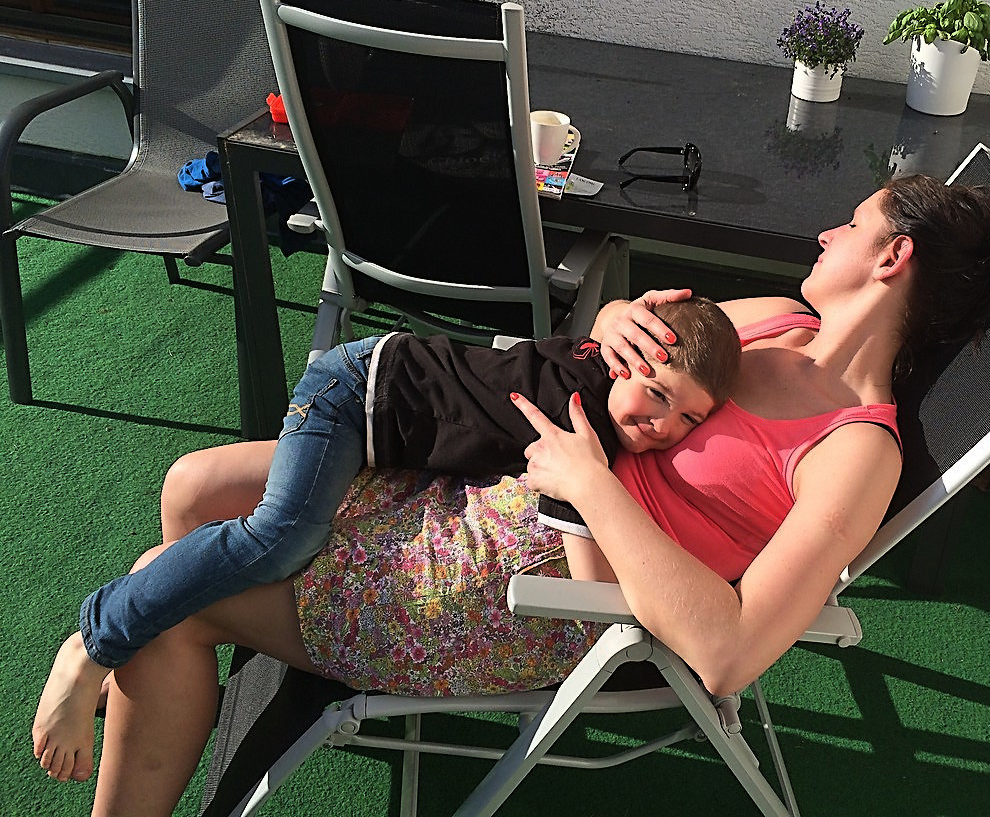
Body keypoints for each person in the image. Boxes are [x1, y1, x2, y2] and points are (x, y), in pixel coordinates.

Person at [34, 174, 990, 815]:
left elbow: (729, 651)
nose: (825, 231)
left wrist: (595, 486)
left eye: (850, 225)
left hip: (532, 590)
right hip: (499, 481)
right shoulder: (773, 321)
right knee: (195, 484)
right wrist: (618, 316)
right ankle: (189, 707)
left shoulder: (856, 453)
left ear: (891, 258)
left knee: (166, 590)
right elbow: (611, 360)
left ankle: (146, 669)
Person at [33, 297, 738, 781]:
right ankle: (98, 642)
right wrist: (601, 497)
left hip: (381, 402)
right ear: (623, 360)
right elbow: (588, 592)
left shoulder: (595, 365)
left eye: (689, 420)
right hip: (354, 396)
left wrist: (617, 314)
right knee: (279, 539)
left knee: (243, 527)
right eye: (657, 394)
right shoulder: (577, 422)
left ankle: (168, 677)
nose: (664, 426)